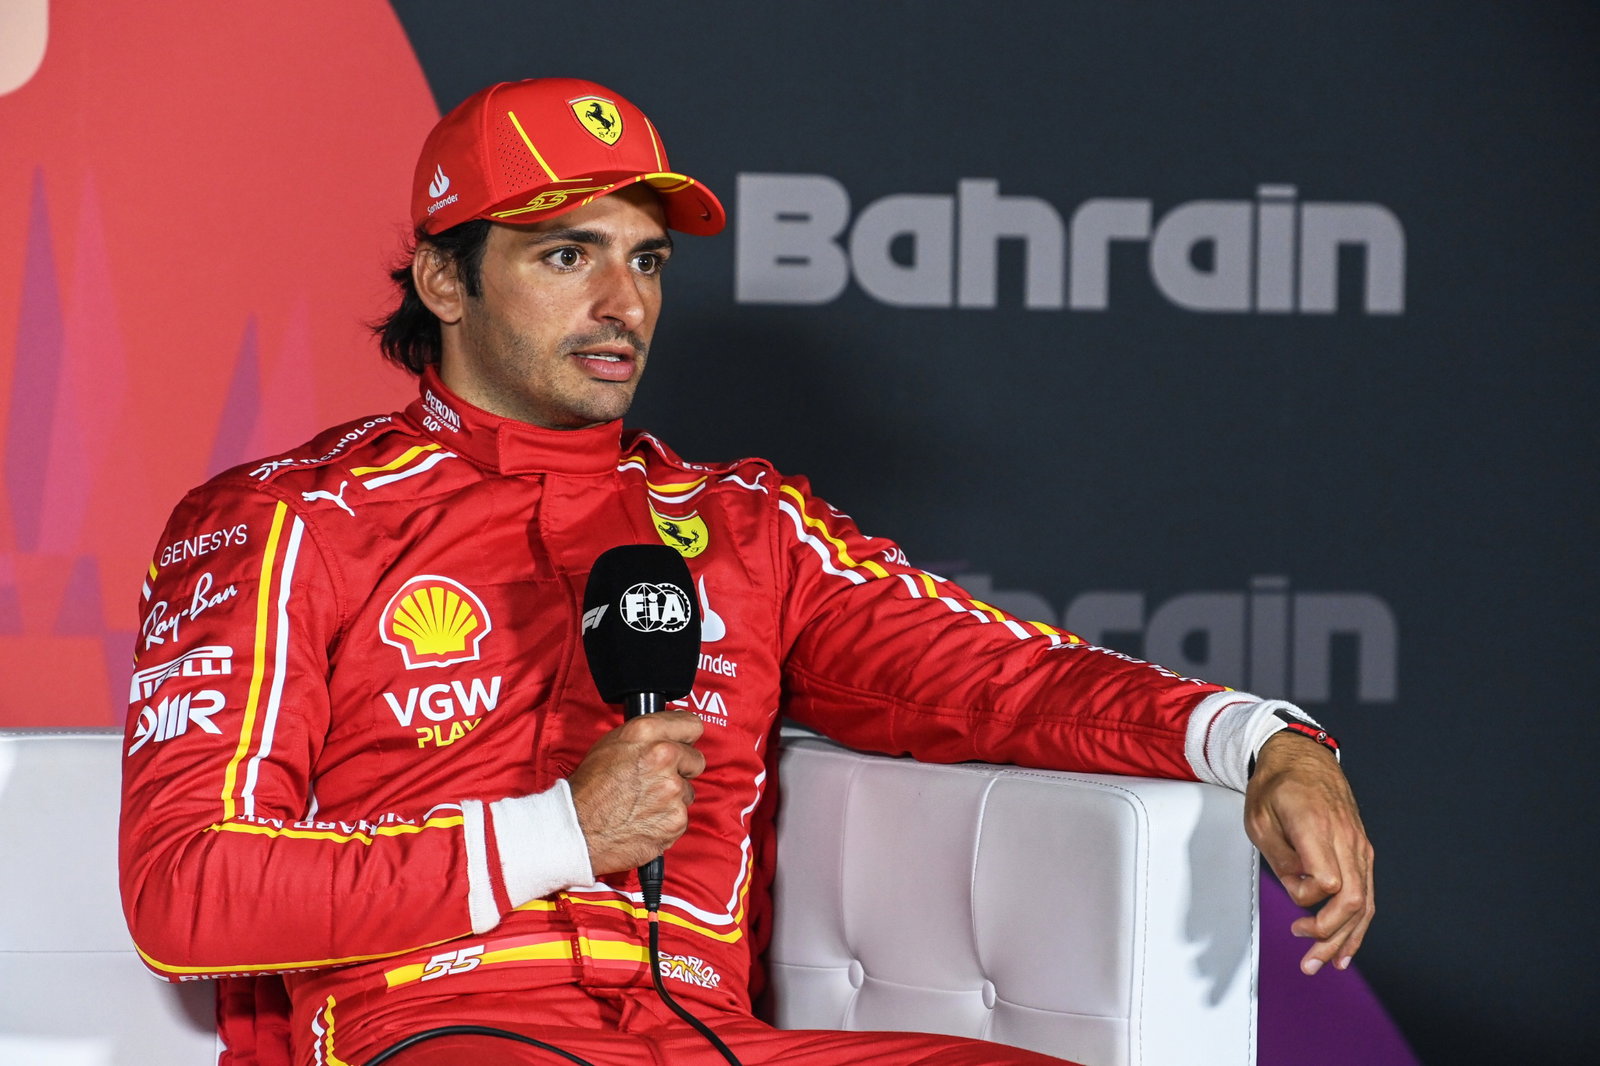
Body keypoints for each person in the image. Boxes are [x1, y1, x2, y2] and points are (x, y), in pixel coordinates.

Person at [119, 77, 1373, 1066]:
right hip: (428, 1029)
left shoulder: (741, 522)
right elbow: (183, 893)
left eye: (647, 259)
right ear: (445, 276)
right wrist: (557, 833)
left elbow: (992, 679)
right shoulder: (290, 518)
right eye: (568, 256)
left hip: (705, 1035)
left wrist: (1258, 740)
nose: (624, 302)